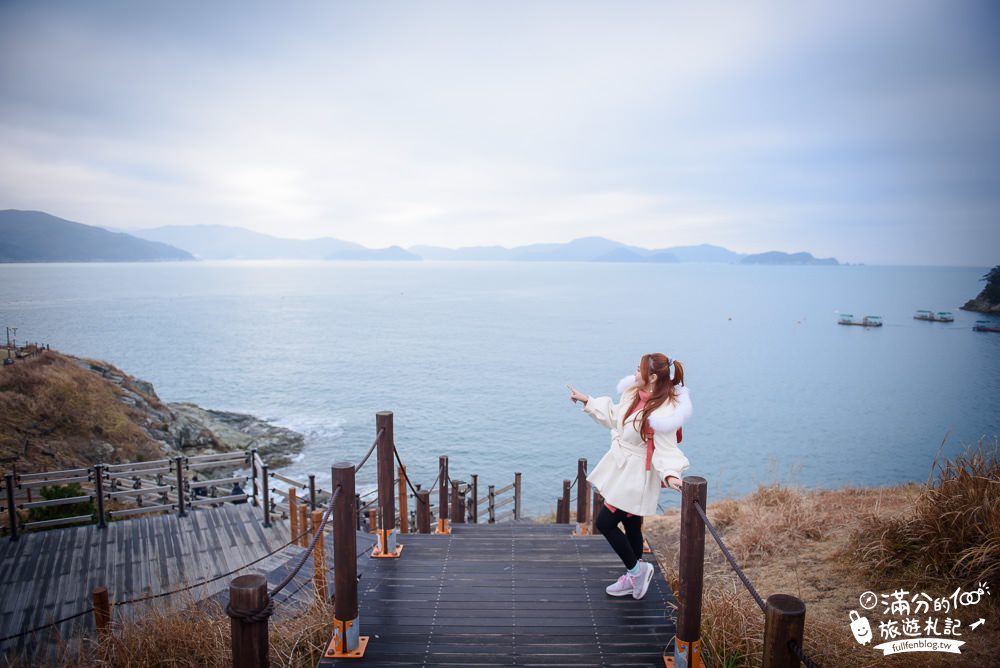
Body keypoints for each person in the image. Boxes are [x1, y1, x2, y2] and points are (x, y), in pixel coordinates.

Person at [567, 353, 691, 600]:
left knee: (605, 523)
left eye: (639, 370)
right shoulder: (634, 393)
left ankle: (637, 571)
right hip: (623, 469)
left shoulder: (662, 412)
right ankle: (633, 575)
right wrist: (587, 401)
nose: (635, 373)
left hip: (636, 477)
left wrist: (671, 475)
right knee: (632, 524)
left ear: (653, 377)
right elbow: (615, 417)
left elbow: (666, 449)